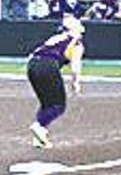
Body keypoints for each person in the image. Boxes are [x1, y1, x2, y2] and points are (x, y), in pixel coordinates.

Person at [27, 16, 85, 149]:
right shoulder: (77, 43)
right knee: (58, 106)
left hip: (32, 65)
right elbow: (75, 66)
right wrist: (75, 83)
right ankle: (39, 125)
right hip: (48, 65)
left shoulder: (56, 37)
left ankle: (39, 137)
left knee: (46, 103)